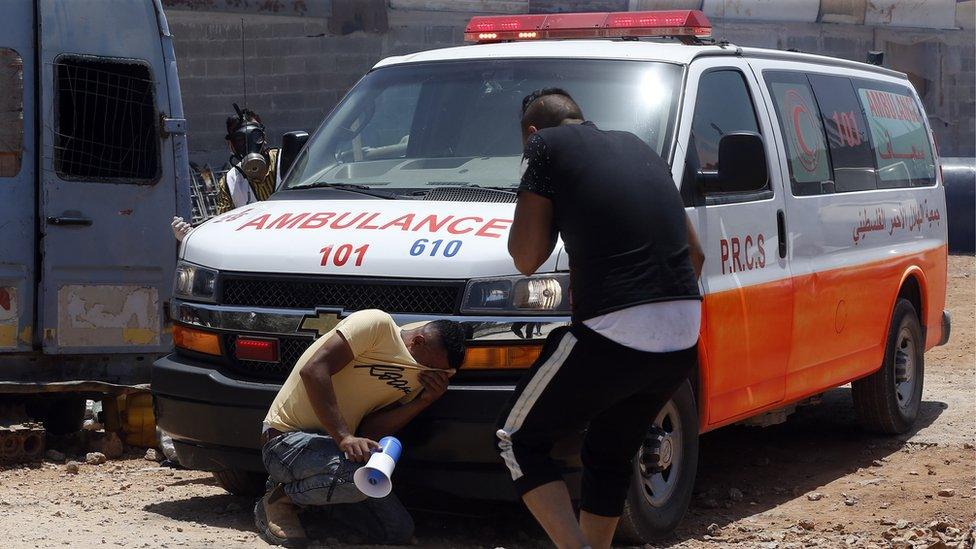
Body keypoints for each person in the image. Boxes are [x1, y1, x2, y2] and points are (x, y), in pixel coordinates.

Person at [496, 88, 705, 549]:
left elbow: (526, 257)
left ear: (532, 132)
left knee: (517, 439)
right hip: (683, 333)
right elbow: (696, 254)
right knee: (609, 452)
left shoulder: (541, 146)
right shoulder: (638, 145)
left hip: (614, 329)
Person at [255, 309, 467, 547]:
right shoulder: (377, 325)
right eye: (429, 364)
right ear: (418, 341)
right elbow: (314, 370)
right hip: (285, 441)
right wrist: (344, 437)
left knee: (397, 529)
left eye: (439, 371)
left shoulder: (419, 377)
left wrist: (424, 401)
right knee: (356, 479)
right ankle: (280, 500)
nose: (430, 372)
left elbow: (371, 430)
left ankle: (315, 499)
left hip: (334, 454)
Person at [171, 107, 281, 241]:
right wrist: (190, 236)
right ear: (231, 145)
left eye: (254, 137)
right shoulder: (229, 183)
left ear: (264, 137)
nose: (249, 144)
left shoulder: (290, 163)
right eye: (241, 140)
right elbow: (223, 233)